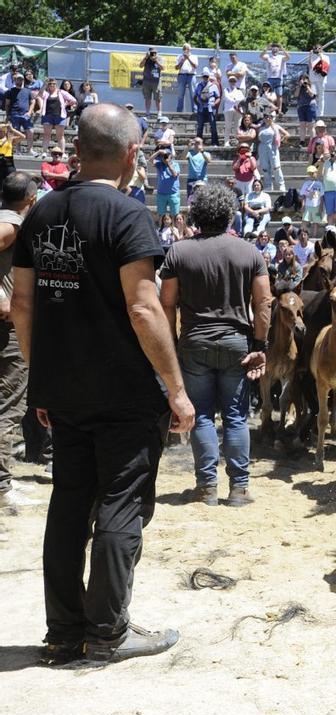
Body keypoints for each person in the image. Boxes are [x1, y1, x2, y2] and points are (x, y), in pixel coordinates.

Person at [10, 103, 195, 665]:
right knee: (121, 502)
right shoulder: (129, 216)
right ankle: (109, 632)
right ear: (132, 154)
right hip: (122, 391)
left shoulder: (39, 213)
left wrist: (42, 379)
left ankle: (64, 633)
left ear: (78, 149)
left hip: (61, 390)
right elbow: (144, 310)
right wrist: (177, 390)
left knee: (68, 503)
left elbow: (21, 303)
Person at [159, 183, 269, 507]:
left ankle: (206, 488)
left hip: (194, 341)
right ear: (230, 215)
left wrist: (172, 343)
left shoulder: (178, 251)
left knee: (203, 415)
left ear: (196, 215)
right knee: (236, 416)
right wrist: (260, 344)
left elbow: (166, 303)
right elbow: (263, 304)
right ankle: (239, 489)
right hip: (238, 343)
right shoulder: (250, 252)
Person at [0, 173, 37, 516]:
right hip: (8, 330)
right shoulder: (11, 224)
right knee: (9, 408)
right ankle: (1, 489)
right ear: (31, 199)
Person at [39, 78, 75, 154]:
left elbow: (73, 100)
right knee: (46, 135)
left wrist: (66, 104)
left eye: (54, 84)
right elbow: (40, 95)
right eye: (50, 84)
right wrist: (44, 84)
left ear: (56, 84)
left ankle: (63, 153)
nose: (52, 85)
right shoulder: (46, 93)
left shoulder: (61, 92)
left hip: (59, 116)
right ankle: (44, 152)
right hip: (47, 116)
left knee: (60, 136)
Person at [257, 111, 289, 191]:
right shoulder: (260, 127)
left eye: (270, 117)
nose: (268, 118)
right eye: (266, 117)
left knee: (276, 167)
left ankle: (281, 184)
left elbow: (287, 134)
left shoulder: (276, 126)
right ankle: (268, 185)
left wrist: (280, 140)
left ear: (272, 118)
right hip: (262, 148)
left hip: (272, 148)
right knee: (265, 167)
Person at [260, 43, 290, 113]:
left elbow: (288, 57)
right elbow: (261, 56)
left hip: (279, 78)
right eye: (273, 48)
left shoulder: (281, 57)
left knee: (279, 95)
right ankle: (271, 108)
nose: (275, 49)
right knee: (269, 94)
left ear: (278, 49)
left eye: (276, 48)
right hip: (270, 78)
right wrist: (266, 48)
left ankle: (279, 110)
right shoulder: (268, 56)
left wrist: (282, 48)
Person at [154, 147, 182, 217]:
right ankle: (161, 228)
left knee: (175, 215)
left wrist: (168, 164)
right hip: (161, 194)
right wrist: (159, 152)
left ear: (171, 156)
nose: (165, 157)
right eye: (164, 156)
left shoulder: (175, 164)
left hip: (173, 194)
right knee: (161, 215)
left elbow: (175, 174)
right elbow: (150, 160)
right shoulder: (159, 164)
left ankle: (174, 228)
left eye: (167, 155)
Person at [299, 165, 325, 234]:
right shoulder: (306, 183)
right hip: (307, 205)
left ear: (316, 173)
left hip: (317, 205)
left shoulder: (320, 184)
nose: (312, 175)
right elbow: (303, 196)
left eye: (313, 173)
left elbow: (322, 196)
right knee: (305, 220)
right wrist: (303, 205)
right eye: (310, 173)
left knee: (316, 222)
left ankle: (314, 235)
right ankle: (303, 234)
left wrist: (321, 207)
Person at [221, 75, 245, 147]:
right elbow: (227, 98)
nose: (232, 82)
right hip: (228, 110)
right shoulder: (226, 90)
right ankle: (226, 141)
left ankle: (237, 141)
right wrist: (235, 100)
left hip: (237, 110)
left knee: (237, 126)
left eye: (234, 81)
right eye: (231, 81)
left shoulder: (239, 91)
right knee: (228, 126)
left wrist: (234, 100)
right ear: (229, 82)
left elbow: (242, 99)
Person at [140, 48, 164, 115]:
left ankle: (159, 113)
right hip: (146, 81)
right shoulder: (146, 58)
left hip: (156, 82)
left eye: (155, 52)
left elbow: (163, 68)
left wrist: (156, 61)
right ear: (149, 52)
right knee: (147, 98)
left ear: (157, 53)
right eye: (152, 52)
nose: (153, 54)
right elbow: (140, 66)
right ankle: (147, 113)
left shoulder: (159, 58)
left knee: (158, 98)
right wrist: (145, 58)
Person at [294, 74, 318, 140]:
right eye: (302, 79)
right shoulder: (298, 87)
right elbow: (296, 95)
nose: (303, 80)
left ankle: (312, 141)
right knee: (302, 125)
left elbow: (312, 95)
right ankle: (302, 141)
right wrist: (299, 86)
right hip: (301, 106)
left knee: (311, 125)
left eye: (305, 78)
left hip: (310, 106)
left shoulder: (312, 86)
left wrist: (307, 86)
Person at [175, 44, 198, 113]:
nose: (186, 50)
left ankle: (195, 112)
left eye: (187, 49)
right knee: (180, 94)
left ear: (190, 49)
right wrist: (182, 60)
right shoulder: (179, 57)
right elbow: (176, 68)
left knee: (193, 94)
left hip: (191, 75)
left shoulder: (194, 57)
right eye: (184, 49)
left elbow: (195, 66)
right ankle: (179, 113)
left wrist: (188, 58)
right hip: (182, 75)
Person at [309, 44, 330, 118]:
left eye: (319, 48)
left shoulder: (326, 57)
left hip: (321, 80)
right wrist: (310, 55)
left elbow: (326, 67)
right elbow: (310, 66)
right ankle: (313, 113)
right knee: (313, 97)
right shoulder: (312, 56)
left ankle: (321, 114)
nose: (317, 50)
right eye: (316, 48)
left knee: (321, 97)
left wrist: (320, 55)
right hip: (313, 79)